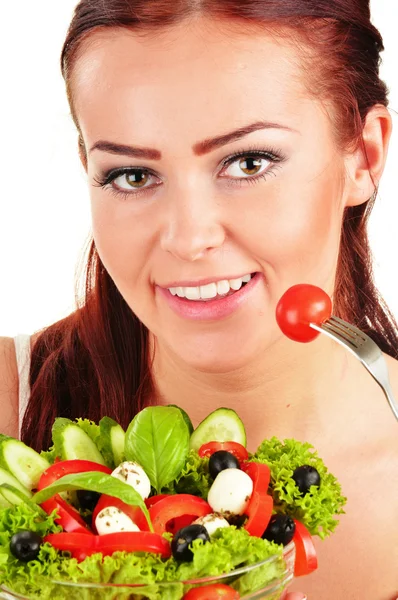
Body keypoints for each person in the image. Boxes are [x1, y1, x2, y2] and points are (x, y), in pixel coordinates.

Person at [0, 0, 397, 597]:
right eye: (132, 175)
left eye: (248, 161)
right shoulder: (10, 401)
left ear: (363, 156)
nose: (188, 240)